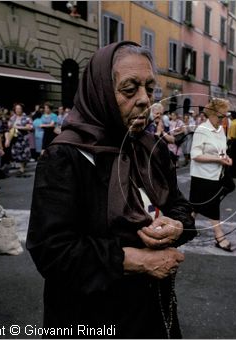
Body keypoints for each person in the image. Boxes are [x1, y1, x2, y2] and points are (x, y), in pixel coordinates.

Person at [27, 41, 196, 338]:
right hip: (91, 317)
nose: (145, 99)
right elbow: (52, 251)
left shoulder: (151, 149)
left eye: (150, 88)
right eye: (130, 90)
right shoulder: (65, 157)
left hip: (152, 312)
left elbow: (179, 205)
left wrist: (178, 226)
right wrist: (138, 261)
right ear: (101, 92)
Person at [189, 98, 234, 252]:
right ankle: (219, 236)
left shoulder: (221, 129)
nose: (223, 120)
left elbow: (222, 150)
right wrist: (218, 159)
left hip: (217, 174)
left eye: (225, 116)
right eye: (221, 116)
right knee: (212, 205)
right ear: (212, 114)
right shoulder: (202, 130)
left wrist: (226, 158)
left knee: (197, 205)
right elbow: (194, 155)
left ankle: (186, 227)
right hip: (202, 176)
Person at [7, 103, 32, 176]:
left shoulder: (26, 118)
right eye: (16, 109)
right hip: (15, 138)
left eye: (19, 108)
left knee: (24, 153)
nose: (18, 110)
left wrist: (17, 127)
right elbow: (9, 127)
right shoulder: (12, 118)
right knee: (16, 152)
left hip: (23, 138)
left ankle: (22, 167)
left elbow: (29, 127)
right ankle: (21, 165)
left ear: (22, 109)